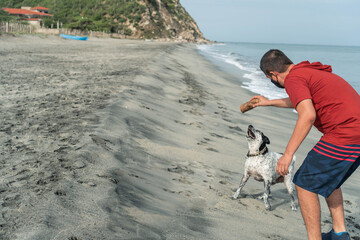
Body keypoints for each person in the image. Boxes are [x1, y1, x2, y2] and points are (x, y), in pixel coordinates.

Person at [251, 49, 360, 240]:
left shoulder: (293, 79)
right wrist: (267, 102)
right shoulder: (307, 71)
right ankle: (339, 233)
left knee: (304, 184)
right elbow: (301, 100)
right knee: (328, 180)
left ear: (273, 75)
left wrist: (287, 154)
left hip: (345, 133)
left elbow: (308, 114)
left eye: (270, 78)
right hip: (355, 132)